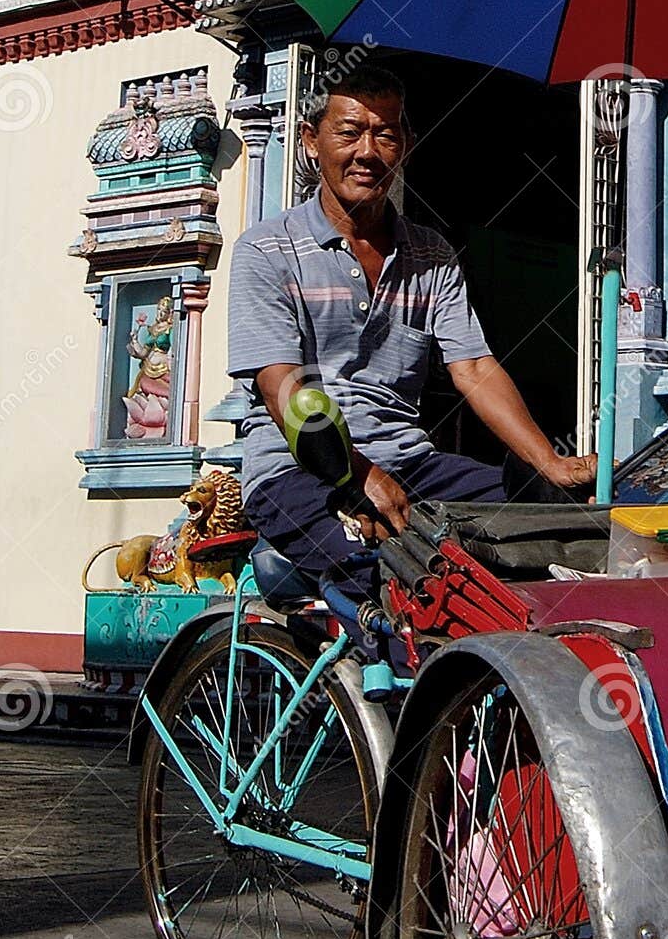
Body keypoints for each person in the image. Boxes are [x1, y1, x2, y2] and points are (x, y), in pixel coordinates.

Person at [228, 61, 594, 612]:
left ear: (406, 144)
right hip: (296, 470)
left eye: (386, 134)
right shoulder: (266, 251)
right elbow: (283, 388)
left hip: (412, 463)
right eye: (349, 132)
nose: (368, 152)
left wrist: (548, 462)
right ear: (311, 142)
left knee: (535, 529)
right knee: (398, 589)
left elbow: (472, 366)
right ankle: (391, 688)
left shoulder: (430, 254)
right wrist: (357, 477)